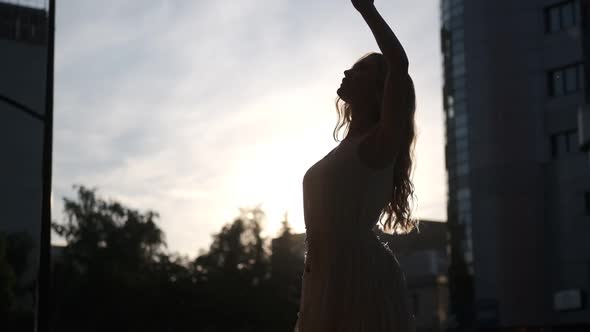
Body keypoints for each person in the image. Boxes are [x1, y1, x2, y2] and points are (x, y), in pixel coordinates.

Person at [294, 0, 417, 331]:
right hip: (323, 278)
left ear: (381, 90)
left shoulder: (381, 141)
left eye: (361, 70)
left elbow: (399, 65)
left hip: (357, 276)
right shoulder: (346, 148)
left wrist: (366, 9)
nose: (348, 71)